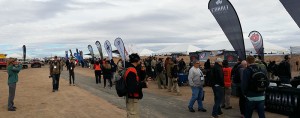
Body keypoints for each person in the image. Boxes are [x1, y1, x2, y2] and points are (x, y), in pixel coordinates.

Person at [125, 53, 147, 118]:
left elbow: (140, 78)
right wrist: (144, 84)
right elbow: (133, 86)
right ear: (136, 60)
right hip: (132, 97)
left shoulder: (132, 68)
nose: (140, 61)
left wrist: (143, 69)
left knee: (131, 114)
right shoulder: (131, 70)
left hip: (132, 96)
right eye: (139, 60)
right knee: (133, 115)